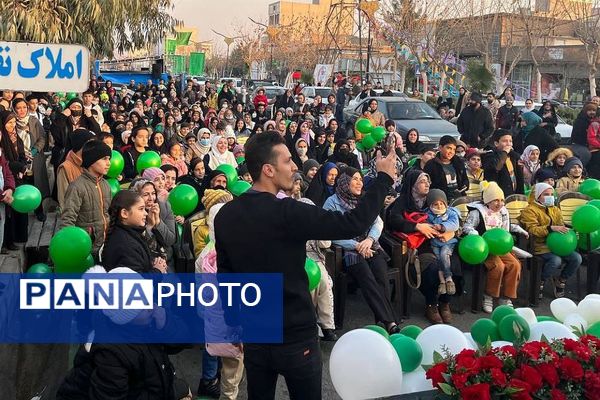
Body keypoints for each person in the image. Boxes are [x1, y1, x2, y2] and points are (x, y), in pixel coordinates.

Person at [214, 131, 398, 400]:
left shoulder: (226, 215)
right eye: (288, 161)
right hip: (294, 334)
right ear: (268, 170)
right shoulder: (288, 211)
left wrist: (233, 324)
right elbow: (353, 223)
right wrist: (383, 179)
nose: (295, 167)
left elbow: (226, 276)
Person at [56, 267, 191, 400]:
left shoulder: (146, 321)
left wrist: (166, 323)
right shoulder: (111, 355)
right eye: (142, 307)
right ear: (126, 317)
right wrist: (171, 391)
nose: (152, 307)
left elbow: (183, 341)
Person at [323, 167, 400, 332]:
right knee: (366, 276)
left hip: (370, 245)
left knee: (380, 273)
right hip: (348, 251)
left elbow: (378, 222)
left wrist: (369, 240)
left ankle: (384, 320)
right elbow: (329, 232)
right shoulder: (331, 202)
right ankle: (390, 322)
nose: (359, 183)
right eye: (355, 179)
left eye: (361, 179)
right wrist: (356, 245)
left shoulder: (364, 199)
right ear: (345, 181)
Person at [386, 170, 461, 324]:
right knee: (433, 268)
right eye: (422, 181)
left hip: (439, 242)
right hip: (417, 248)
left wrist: (451, 234)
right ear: (413, 185)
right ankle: (431, 304)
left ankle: (445, 303)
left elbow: (451, 218)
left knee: (454, 264)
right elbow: (394, 221)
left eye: (428, 181)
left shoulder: (431, 199)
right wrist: (417, 226)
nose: (427, 184)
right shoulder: (403, 201)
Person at [462, 182, 528, 312]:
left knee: (515, 264)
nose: (500, 204)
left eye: (502, 200)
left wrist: (520, 230)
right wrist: (474, 233)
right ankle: (489, 295)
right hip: (484, 248)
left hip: (501, 247)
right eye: (496, 200)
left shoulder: (502, 212)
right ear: (487, 201)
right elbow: (466, 227)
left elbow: (507, 228)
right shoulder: (477, 212)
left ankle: (506, 296)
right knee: (498, 266)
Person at [519, 182, 582, 299]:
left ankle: (561, 280)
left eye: (551, 194)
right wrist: (550, 228)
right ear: (538, 196)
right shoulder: (530, 210)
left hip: (558, 245)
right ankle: (540, 281)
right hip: (540, 245)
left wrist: (570, 232)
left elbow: (561, 225)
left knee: (577, 258)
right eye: (546, 194)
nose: (550, 197)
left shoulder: (555, 209)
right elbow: (532, 230)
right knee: (556, 261)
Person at [59, 140, 112, 259]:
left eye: (109, 159)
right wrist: (69, 245)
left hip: (105, 246)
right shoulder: (77, 187)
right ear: (92, 160)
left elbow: (108, 213)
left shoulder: (106, 185)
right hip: (86, 248)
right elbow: (68, 219)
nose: (108, 163)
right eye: (104, 158)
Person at [101, 190, 166, 273]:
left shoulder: (130, 233)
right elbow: (136, 282)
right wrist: (157, 270)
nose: (146, 213)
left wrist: (153, 263)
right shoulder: (125, 244)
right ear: (124, 213)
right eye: (141, 209)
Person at [426, 189, 460, 295]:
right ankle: (442, 282)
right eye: (436, 204)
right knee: (438, 258)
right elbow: (425, 224)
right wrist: (435, 230)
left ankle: (449, 278)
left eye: (442, 203)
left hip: (448, 242)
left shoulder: (451, 213)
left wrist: (442, 227)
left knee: (444, 254)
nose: (439, 206)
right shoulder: (428, 214)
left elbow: (454, 224)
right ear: (430, 205)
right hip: (435, 242)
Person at [56, 129, 95, 209]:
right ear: (81, 145)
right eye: (89, 144)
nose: (93, 147)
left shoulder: (92, 163)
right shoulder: (65, 168)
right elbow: (64, 198)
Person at [423, 135, 468, 202]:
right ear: (440, 148)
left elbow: (464, 178)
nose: (451, 152)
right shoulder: (431, 165)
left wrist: (464, 186)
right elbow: (427, 186)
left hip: (458, 200)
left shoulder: (458, 162)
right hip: (439, 202)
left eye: (454, 149)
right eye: (449, 148)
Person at [482, 129, 524, 197]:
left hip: (512, 195)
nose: (508, 144)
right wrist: (504, 152)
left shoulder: (513, 156)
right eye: (505, 141)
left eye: (510, 141)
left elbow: (519, 178)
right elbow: (497, 166)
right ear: (496, 143)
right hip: (496, 197)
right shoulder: (490, 156)